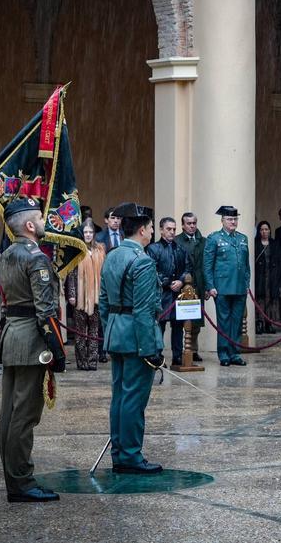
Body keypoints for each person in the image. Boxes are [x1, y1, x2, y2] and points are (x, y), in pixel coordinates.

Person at [0, 197, 65, 501]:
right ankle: (21, 482)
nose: (44, 221)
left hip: (12, 335)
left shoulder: (6, 254)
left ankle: (14, 479)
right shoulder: (36, 258)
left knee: (9, 413)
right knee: (25, 414)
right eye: (39, 217)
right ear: (28, 225)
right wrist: (58, 349)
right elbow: (45, 309)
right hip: (32, 340)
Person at [99, 202, 163, 474]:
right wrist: (150, 349)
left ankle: (119, 453)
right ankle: (131, 456)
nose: (151, 232)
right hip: (137, 338)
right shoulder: (143, 261)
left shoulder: (112, 255)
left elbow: (103, 303)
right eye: (150, 227)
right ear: (142, 230)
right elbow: (144, 310)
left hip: (117, 333)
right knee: (134, 400)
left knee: (120, 398)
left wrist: (112, 330)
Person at [204, 206, 251, 367]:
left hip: (239, 287)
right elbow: (207, 264)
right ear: (222, 220)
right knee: (224, 321)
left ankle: (235, 353)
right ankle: (223, 353)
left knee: (237, 321)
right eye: (230, 219)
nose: (233, 222)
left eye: (235, 219)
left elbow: (246, 265)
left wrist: (247, 283)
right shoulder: (214, 238)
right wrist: (210, 285)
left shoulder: (243, 238)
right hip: (221, 287)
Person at [146, 217, 190, 366]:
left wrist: (181, 281)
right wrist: (168, 283)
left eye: (174, 229)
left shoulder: (180, 248)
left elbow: (187, 268)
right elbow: (153, 270)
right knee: (160, 326)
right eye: (168, 229)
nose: (172, 232)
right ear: (161, 230)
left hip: (178, 295)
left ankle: (177, 356)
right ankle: (158, 355)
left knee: (178, 327)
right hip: (161, 295)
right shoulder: (153, 249)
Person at [65, 218, 106, 371]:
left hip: (96, 295)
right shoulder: (76, 250)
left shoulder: (100, 249)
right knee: (80, 332)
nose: (88, 235)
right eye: (85, 232)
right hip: (80, 296)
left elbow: (104, 273)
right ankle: (82, 362)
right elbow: (71, 274)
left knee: (94, 331)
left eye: (90, 232)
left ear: (94, 234)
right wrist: (72, 294)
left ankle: (92, 361)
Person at [174, 212, 207, 358]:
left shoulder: (203, 241)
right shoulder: (177, 241)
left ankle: (193, 350)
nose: (192, 226)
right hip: (183, 285)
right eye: (189, 223)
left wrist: (206, 287)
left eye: (194, 223)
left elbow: (206, 265)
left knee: (196, 321)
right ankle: (182, 350)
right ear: (183, 225)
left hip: (198, 284)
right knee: (181, 320)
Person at [252, 220, 281, 334]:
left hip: (272, 275)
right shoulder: (255, 243)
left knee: (271, 299)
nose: (264, 232)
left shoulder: (274, 243)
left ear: (270, 231)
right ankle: (259, 323)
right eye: (262, 229)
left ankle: (269, 323)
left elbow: (279, 261)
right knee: (260, 299)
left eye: (266, 229)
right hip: (260, 275)